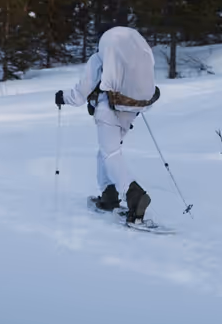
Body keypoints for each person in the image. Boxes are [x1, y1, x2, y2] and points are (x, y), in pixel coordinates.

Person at [55, 24, 160, 225]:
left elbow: (80, 93)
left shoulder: (99, 58)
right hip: (132, 109)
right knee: (107, 151)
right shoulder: (134, 55)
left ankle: (135, 195)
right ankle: (108, 195)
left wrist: (63, 97)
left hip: (109, 110)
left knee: (110, 154)